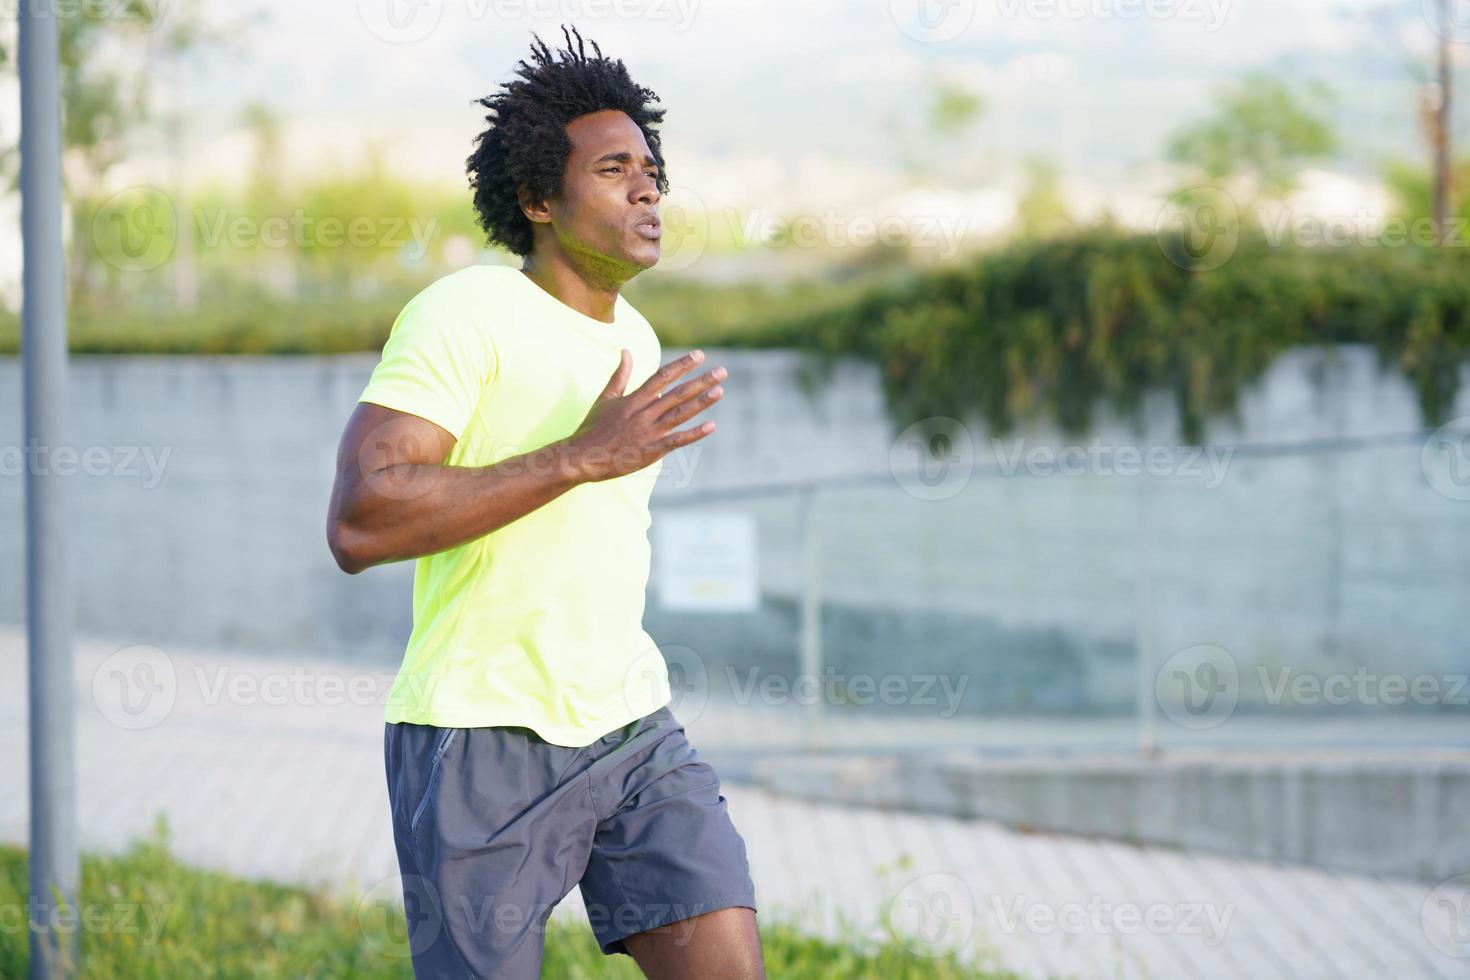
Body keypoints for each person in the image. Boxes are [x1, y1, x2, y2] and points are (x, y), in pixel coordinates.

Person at [325, 23, 764, 979]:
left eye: (651, 168)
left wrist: (593, 459)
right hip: (479, 736)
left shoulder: (640, 342)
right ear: (539, 200)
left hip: (629, 725)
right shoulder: (465, 312)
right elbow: (362, 519)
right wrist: (574, 457)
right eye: (614, 169)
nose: (649, 188)